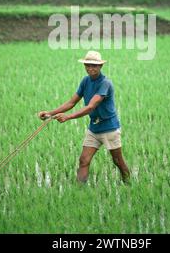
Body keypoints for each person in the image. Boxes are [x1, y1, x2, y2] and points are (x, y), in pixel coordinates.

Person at [38, 50, 130, 184]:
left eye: (94, 65)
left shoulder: (105, 83)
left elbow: (91, 107)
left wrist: (68, 117)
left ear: (100, 66)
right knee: (84, 160)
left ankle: (129, 185)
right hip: (94, 129)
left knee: (118, 161)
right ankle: (80, 190)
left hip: (109, 128)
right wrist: (49, 114)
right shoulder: (85, 81)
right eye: (87, 65)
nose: (90, 68)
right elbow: (71, 102)